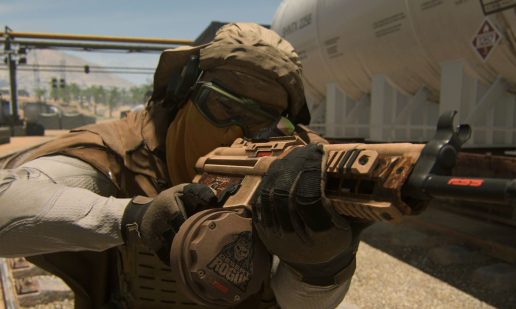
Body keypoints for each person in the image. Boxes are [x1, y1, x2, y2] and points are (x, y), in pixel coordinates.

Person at [0, 23, 364, 308]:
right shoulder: (122, 149)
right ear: (185, 95)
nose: (237, 134)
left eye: (259, 121)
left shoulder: (292, 163)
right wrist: (132, 219)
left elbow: (297, 303)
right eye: (222, 108)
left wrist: (322, 265)